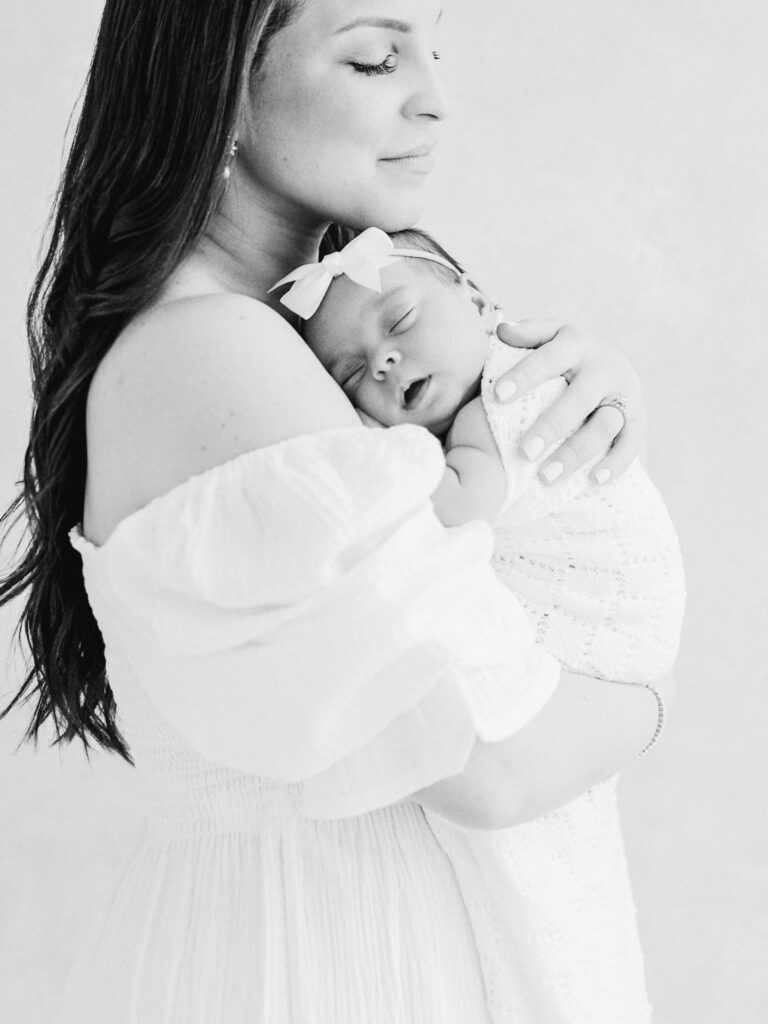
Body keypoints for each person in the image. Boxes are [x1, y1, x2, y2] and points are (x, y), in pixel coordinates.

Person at [0, 2, 671, 1021]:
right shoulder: (209, 348)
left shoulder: (324, 350)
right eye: (374, 56)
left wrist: (554, 410)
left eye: (431, 51)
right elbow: (491, 761)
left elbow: (494, 568)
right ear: (221, 82)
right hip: (331, 964)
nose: (433, 99)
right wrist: (653, 688)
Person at [293, 224, 686, 1020]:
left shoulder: (508, 405)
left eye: (399, 324)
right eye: (350, 373)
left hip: (607, 624)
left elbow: (446, 509)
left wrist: (356, 441)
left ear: (478, 303)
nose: (383, 362)